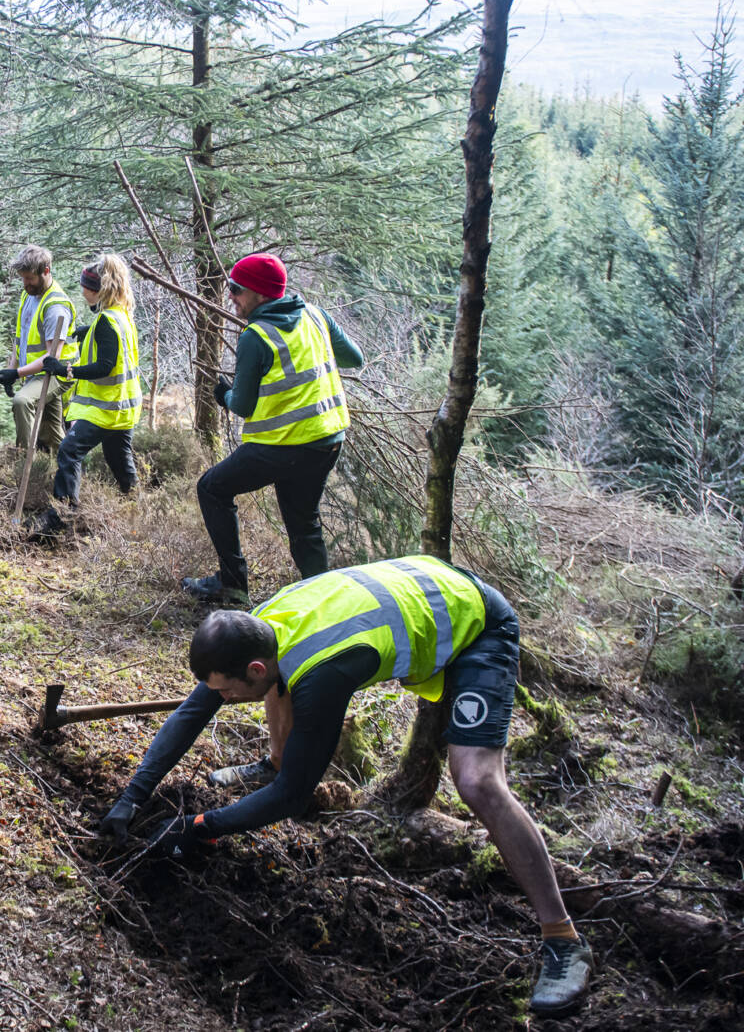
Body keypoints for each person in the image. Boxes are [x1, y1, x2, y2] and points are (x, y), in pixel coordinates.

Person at [98, 556, 593, 1015]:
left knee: (477, 782)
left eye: (227, 690)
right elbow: (193, 711)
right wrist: (132, 796)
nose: (222, 700)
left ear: (251, 668)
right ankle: (272, 762)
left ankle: (563, 938)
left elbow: (294, 797)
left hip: (476, 624)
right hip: (420, 583)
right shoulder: (261, 629)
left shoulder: (323, 673)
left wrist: (199, 825)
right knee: (283, 682)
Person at [181, 253, 363, 607]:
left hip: (282, 446)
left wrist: (224, 394)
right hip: (327, 440)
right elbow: (354, 358)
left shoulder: (257, 336)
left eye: (236, 289)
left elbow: (242, 406)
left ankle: (232, 586)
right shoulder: (315, 315)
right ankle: (324, 604)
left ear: (260, 294)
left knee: (212, 488)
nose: (230, 295)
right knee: (304, 524)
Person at [34, 255, 140, 530]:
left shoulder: (106, 321)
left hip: (105, 408)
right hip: (125, 407)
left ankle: (61, 517)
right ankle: (137, 511)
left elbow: (104, 366)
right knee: (119, 459)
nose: (82, 292)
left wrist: (64, 369)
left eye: (84, 287)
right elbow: (112, 348)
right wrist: (88, 331)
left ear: (97, 290)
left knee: (69, 451)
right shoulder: (122, 314)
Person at [0, 245, 77, 454]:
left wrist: (18, 372)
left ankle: (22, 459)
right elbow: (20, 338)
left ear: (46, 271)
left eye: (29, 278)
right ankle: (67, 469)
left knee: (22, 401)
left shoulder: (55, 306)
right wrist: (12, 369)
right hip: (36, 372)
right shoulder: (28, 295)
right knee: (53, 430)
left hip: (58, 371)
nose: (25, 283)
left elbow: (52, 357)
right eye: (23, 278)